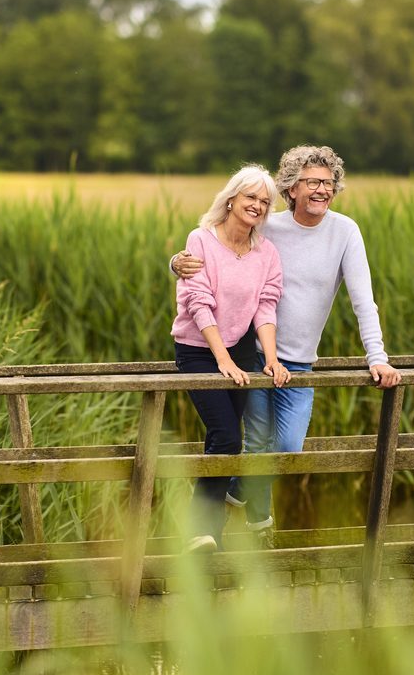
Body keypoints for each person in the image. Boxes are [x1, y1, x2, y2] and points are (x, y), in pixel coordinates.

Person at [171, 144, 400, 546]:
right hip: (254, 355)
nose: (322, 190)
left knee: (287, 448)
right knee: (255, 442)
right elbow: (213, 247)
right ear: (291, 188)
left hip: (301, 364)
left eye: (329, 184)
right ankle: (258, 535)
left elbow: (363, 299)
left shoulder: (345, 231)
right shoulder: (267, 226)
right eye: (312, 182)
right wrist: (175, 262)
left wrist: (377, 358)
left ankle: (235, 492)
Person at [172, 165, 290, 552]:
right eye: (250, 197)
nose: (256, 205)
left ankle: (208, 535)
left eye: (264, 201)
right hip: (198, 349)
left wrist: (270, 359)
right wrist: (221, 359)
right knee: (225, 434)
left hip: (239, 348)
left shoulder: (266, 252)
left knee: (227, 440)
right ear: (232, 198)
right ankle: (199, 530)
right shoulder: (201, 240)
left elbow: (266, 308)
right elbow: (198, 303)